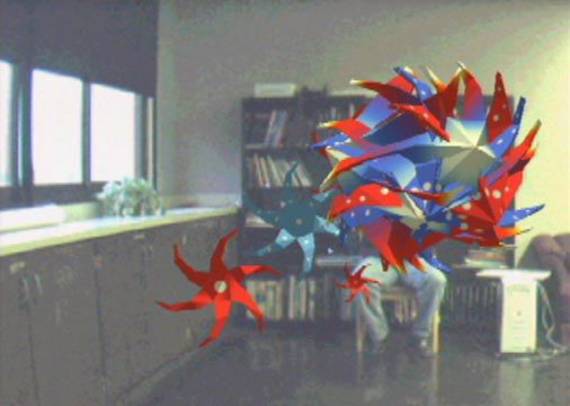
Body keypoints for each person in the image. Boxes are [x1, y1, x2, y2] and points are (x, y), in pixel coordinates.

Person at [353, 253, 447, 358]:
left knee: (437, 280)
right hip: (378, 259)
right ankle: (380, 338)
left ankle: (419, 337)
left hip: (411, 260)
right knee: (359, 279)